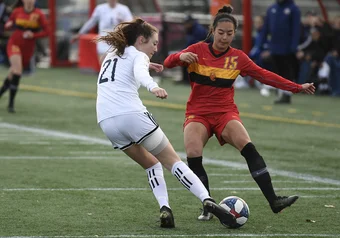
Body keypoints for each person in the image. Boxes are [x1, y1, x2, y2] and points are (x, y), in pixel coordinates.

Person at [163, 5, 315, 221]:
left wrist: (296, 87)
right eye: (221, 32)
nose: (225, 37)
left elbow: (265, 76)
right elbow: (168, 63)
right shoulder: (197, 50)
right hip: (198, 113)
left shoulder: (238, 58)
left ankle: (274, 200)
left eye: (230, 33)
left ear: (234, 33)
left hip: (225, 113)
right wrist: (180, 56)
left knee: (249, 147)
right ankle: (207, 206)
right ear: (213, 30)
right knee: (193, 154)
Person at [95, 17, 237, 228]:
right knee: (173, 161)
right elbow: (141, 73)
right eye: (154, 43)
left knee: (151, 164)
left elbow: (125, 70)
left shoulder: (112, 53)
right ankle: (207, 200)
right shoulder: (139, 56)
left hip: (106, 121)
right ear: (141, 39)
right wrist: (153, 86)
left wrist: (144, 63)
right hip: (132, 115)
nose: (156, 48)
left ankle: (165, 209)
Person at [0, 0, 49, 113]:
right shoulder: (17, 11)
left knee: (13, 73)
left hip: (27, 48)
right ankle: (11, 104)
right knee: (17, 71)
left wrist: (34, 35)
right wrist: (8, 25)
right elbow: (9, 23)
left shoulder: (39, 14)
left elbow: (47, 32)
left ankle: (1, 93)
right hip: (14, 44)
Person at [258, 0, 301, 104]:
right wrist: (261, 43)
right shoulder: (272, 8)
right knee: (277, 71)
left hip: (287, 48)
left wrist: (293, 46)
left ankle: (287, 95)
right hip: (274, 47)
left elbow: (296, 30)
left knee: (287, 72)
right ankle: (280, 92)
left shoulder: (293, 9)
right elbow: (266, 28)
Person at [178, 15, 208, 85]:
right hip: (194, 50)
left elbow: (199, 44)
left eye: (187, 23)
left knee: (188, 59)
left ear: (191, 23)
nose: (185, 25)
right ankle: (185, 79)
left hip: (204, 51)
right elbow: (189, 43)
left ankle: (190, 80)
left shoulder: (199, 30)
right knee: (182, 58)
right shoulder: (190, 29)